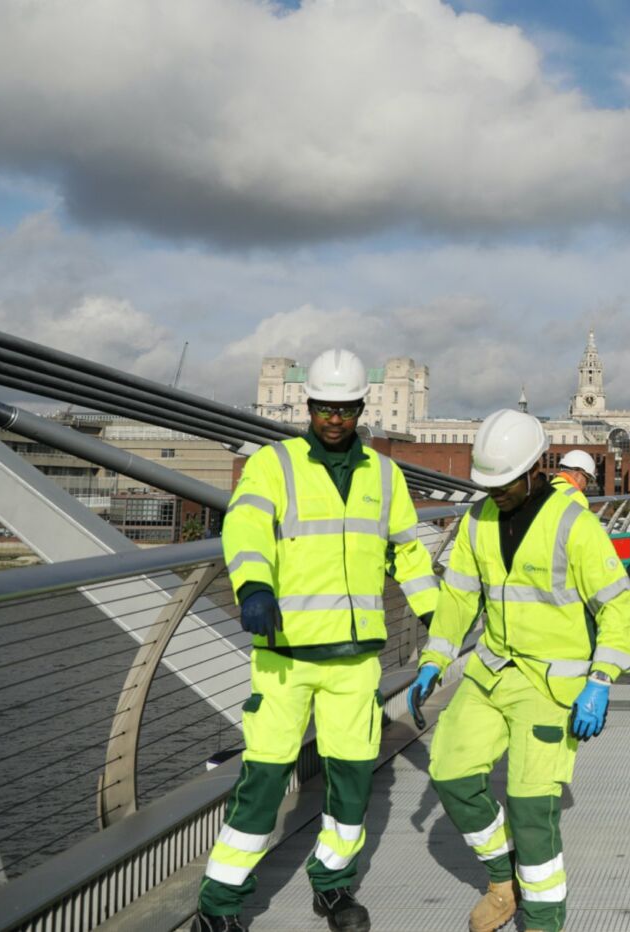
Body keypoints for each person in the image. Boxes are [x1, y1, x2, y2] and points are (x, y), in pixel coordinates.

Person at [200, 349, 440, 932]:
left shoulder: (384, 474)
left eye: (346, 409)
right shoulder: (273, 464)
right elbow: (247, 523)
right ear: (308, 406)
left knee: (354, 777)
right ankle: (219, 903)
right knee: (264, 777)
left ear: (361, 409)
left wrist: (435, 612)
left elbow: (406, 549)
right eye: (324, 408)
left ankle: (332, 887)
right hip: (284, 654)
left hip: (354, 660)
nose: (335, 418)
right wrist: (253, 584)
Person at [408, 409, 630, 932]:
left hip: (550, 684)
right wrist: (433, 659)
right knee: (449, 773)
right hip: (491, 672)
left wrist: (600, 680)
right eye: (487, 483)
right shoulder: (477, 519)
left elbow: (618, 606)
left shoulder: (573, 524)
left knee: (532, 810)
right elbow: (459, 599)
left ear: (536, 468)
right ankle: (502, 879)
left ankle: (542, 919)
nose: (496, 493)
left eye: (505, 482)